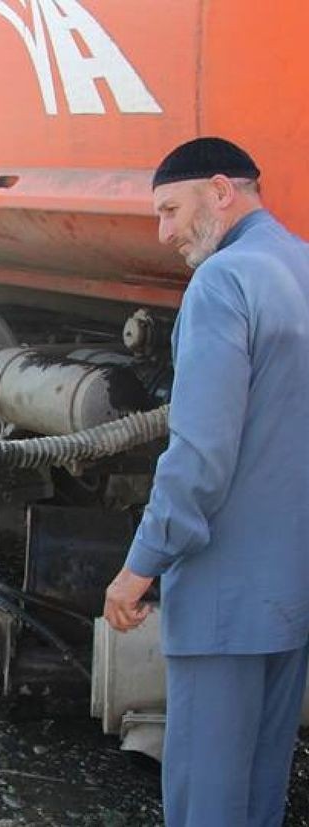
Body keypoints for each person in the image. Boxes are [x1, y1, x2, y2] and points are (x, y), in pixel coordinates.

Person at [103, 138, 309, 827]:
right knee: (260, 795)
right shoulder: (301, 265)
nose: (164, 233)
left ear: (221, 190)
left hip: (223, 598)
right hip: (289, 596)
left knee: (209, 803)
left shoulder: (223, 282)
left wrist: (139, 566)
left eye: (170, 208)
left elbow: (199, 456)